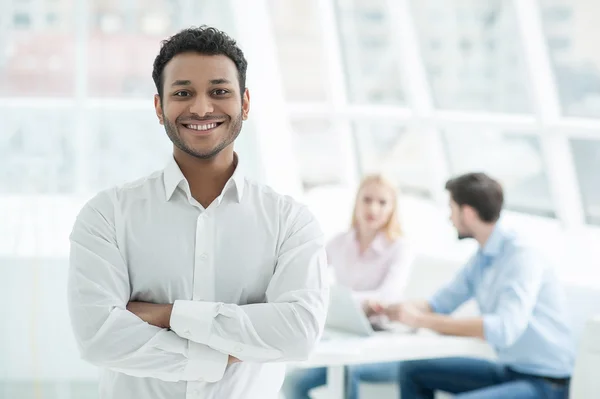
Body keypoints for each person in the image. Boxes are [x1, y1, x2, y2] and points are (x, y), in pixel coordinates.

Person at [67, 26, 329, 399]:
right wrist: (225, 353)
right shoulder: (107, 215)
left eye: (220, 91)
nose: (202, 108)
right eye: (182, 93)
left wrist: (169, 315)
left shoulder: (291, 222)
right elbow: (98, 338)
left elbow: (298, 334)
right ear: (160, 107)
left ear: (246, 103)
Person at [378, 172, 575, 399]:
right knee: (413, 370)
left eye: (451, 208)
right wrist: (389, 310)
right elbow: (439, 303)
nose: (449, 217)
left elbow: (503, 330)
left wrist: (420, 321)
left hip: (546, 384)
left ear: (468, 213)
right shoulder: (483, 258)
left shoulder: (522, 255)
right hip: (510, 371)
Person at [282, 174, 414, 399]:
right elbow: (307, 273)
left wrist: (343, 300)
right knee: (294, 381)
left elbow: (388, 296)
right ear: (357, 202)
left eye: (382, 202)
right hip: (345, 334)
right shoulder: (340, 242)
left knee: (347, 371)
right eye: (367, 199)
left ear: (393, 208)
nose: (373, 208)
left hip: (382, 340)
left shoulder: (399, 247)